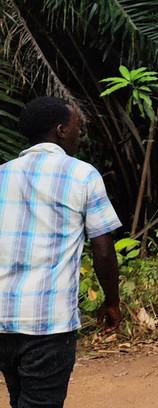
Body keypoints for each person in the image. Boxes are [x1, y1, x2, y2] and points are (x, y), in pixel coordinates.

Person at [0, 96, 122, 408]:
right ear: (61, 130)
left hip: (2, 320)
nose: (80, 134)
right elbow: (103, 250)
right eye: (76, 127)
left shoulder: (2, 174)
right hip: (48, 323)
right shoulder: (82, 175)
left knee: (18, 399)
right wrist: (112, 302)